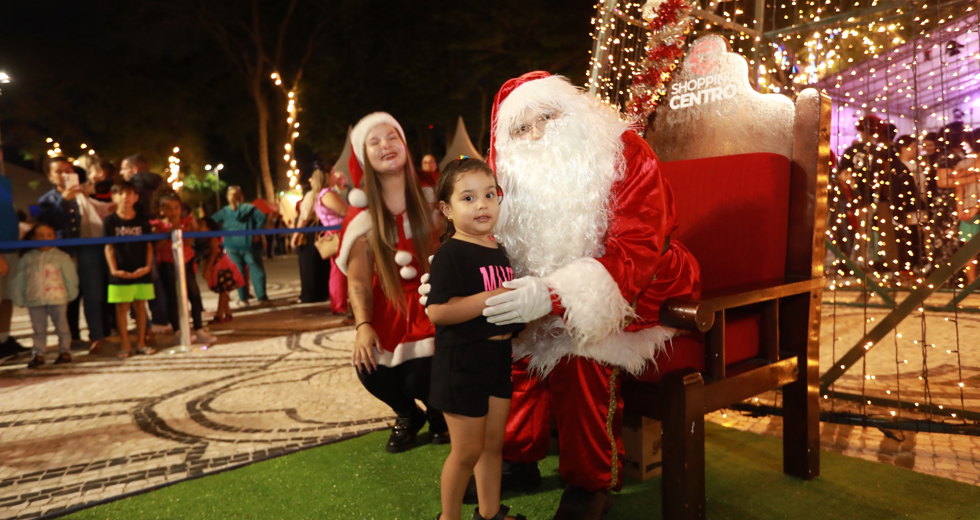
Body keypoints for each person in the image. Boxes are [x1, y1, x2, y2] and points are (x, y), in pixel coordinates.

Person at [479, 72, 699, 519]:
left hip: (638, 288)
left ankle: (590, 481)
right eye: (521, 129)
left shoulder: (623, 153)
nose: (537, 133)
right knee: (511, 351)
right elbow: (487, 246)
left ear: (573, 111)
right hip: (546, 297)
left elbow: (639, 248)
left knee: (582, 358)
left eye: (548, 116)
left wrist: (556, 296)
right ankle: (518, 459)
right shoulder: (505, 185)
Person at [336, 112, 447, 453]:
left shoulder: (436, 196)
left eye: (393, 137)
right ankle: (407, 414)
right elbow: (357, 281)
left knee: (443, 359)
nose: (386, 145)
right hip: (390, 308)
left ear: (404, 144)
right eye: (375, 141)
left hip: (436, 302)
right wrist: (363, 325)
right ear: (364, 157)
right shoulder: (362, 218)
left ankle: (441, 412)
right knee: (369, 364)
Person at [426, 158, 526, 520]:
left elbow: (510, 306)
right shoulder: (450, 254)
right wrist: (493, 297)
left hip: (497, 360)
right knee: (466, 451)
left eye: (489, 194)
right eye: (468, 198)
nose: (482, 204)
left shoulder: (499, 251)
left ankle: (489, 513)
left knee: (492, 446)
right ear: (446, 209)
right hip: (462, 363)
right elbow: (438, 311)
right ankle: (448, 517)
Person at [9, 223, 79, 368]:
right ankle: (39, 354)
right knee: (38, 329)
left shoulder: (62, 257)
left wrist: (71, 295)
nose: (45, 239)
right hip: (35, 300)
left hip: (57, 298)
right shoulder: (27, 258)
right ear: (33, 238)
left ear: (55, 237)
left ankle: (65, 351)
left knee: (62, 326)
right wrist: (19, 297)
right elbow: (19, 279)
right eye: (40, 236)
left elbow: (70, 277)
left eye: (49, 235)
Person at [152, 193, 215, 343]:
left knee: (194, 295)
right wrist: (169, 232)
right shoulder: (157, 226)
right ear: (162, 210)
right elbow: (157, 246)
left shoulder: (185, 223)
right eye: (169, 208)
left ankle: (198, 328)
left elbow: (189, 242)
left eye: (176, 208)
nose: (173, 212)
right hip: (168, 265)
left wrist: (190, 229)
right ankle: (178, 330)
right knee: (173, 299)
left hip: (185, 263)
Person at [103, 181, 157, 359]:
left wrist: (147, 267)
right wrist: (114, 270)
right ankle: (124, 344)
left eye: (130, 194)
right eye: (121, 193)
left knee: (141, 307)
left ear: (136, 197)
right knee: (121, 308)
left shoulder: (142, 220)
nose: (126, 197)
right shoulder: (110, 221)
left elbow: (149, 246)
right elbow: (108, 247)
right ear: (114, 197)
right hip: (120, 270)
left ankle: (141, 342)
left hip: (141, 269)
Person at [212, 185, 269, 306]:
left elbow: (211, 221)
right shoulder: (250, 208)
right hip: (249, 244)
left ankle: (243, 298)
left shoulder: (225, 211)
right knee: (256, 270)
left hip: (231, 245)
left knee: (239, 272)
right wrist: (257, 232)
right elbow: (262, 217)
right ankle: (262, 297)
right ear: (241, 196)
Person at [292, 170, 331, 303]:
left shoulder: (311, 195)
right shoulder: (328, 194)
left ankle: (309, 294)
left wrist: (295, 235)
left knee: (308, 265)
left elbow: (304, 218)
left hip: (309, 232)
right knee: (323, 264)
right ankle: (323, 292)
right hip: (323, 230)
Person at [315, 168, 349, 315]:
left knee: (338, 269)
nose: (336, 175)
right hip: (338, 234)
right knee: (339, 270)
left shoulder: (324, 194)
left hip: (337, 232)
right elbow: (343, 210)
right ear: (327, 176)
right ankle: (339, 304)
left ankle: (339, 303)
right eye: (333, 173)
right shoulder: (326, 194)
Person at [199, 217, 243, 324]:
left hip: (220, 266)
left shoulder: (212, 238)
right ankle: (228, 313)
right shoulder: (206, 238)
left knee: (223, 291)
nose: (200, 228)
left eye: (202, 226)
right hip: (218, 265)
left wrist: (208, 268)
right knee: (224, 291)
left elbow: (214, 254)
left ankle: (219, 315)